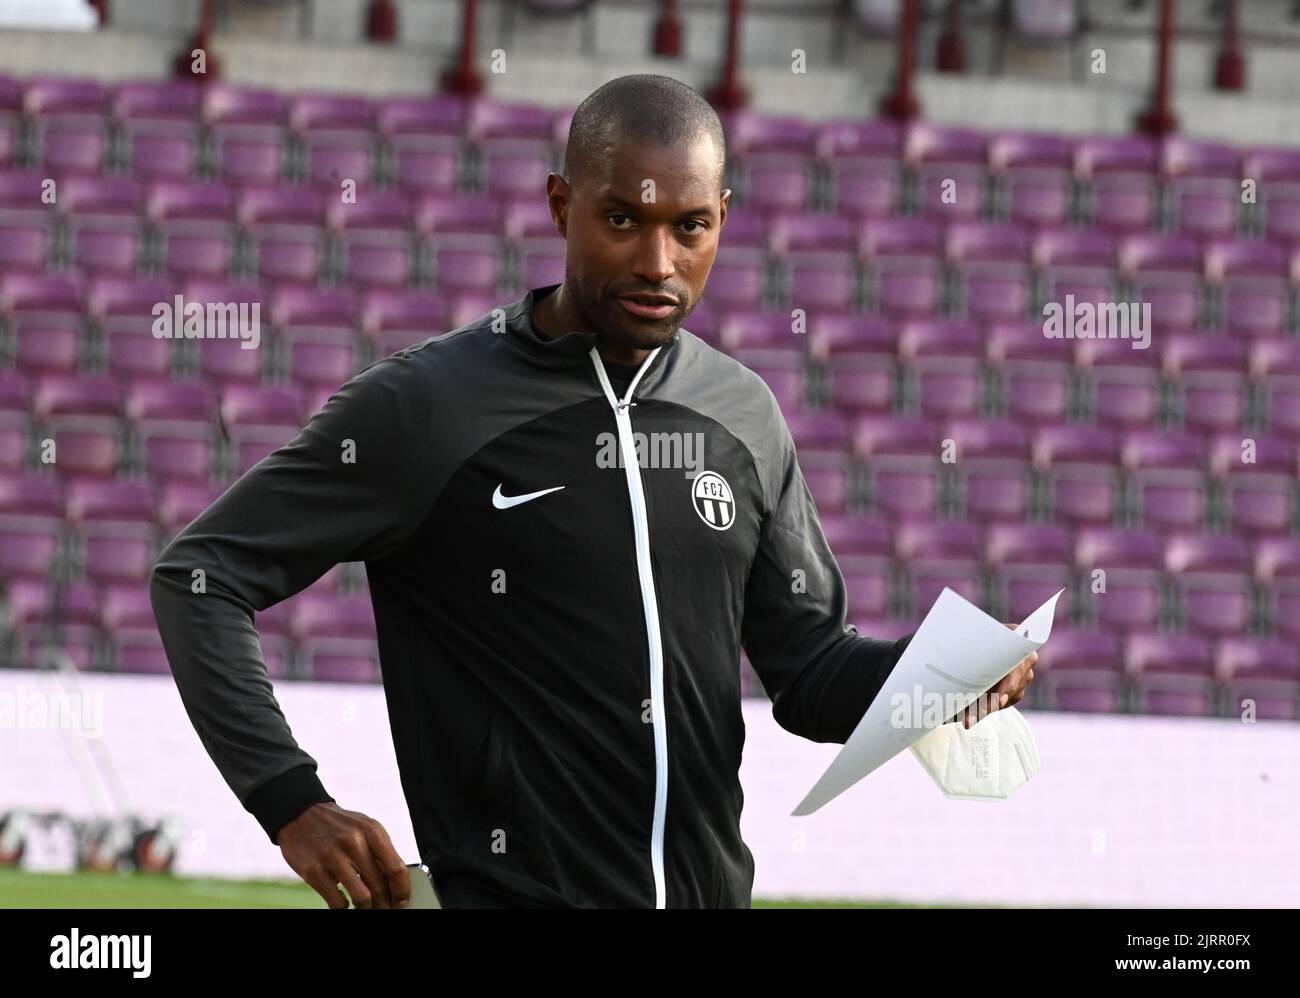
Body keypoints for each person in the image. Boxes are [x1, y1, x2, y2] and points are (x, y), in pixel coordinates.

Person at [149, 73, 1036, 910]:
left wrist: (937, 675)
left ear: (722, 219)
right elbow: (201, 577)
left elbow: (807, 673)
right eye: (622, 219)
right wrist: (290, 800)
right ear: (559, 205)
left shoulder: (743, 413)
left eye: (691, 227)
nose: (658, 261)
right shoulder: (427, 406)